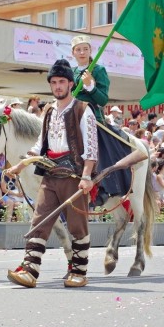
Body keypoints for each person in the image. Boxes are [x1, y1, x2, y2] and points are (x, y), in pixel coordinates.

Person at [5, 59, 97, 288]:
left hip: (74, 176)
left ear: (70, 83)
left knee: (77, 225)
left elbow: (91, 149)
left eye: (62, 82)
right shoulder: (48, 111)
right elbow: (40, 144)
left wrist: (86, 176)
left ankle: (79, 272)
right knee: (39, 220)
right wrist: (21, 165)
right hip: (49, 174)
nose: (57, 86)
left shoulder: (83, 110)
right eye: (54, 82)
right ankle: (29, 271)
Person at [69, 35, 133, 206]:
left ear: (91, 51)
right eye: (78, 49)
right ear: (73, 52)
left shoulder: (98, 70)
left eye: (85, 49)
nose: (82, 52)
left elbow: (103, 100)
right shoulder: (70, 73)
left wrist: (90, 86)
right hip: (71, 116)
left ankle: (102, 187)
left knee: (97, 146)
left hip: (91, 116)